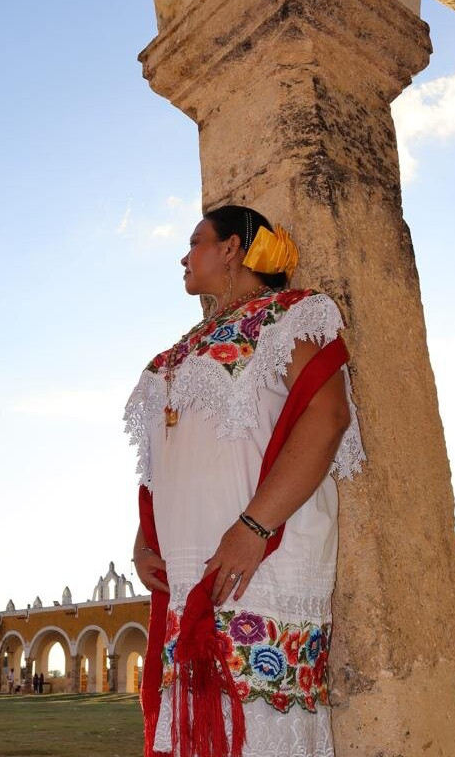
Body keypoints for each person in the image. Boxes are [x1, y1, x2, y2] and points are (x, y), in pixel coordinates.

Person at [125, 206, 365, 757]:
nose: (184, 257)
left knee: (256, 728)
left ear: (232, 248)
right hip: (189, 566)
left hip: (262, 557)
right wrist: (144, 539)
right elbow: (166, 460)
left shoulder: (289, 316)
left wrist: (254, 527)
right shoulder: (175, 353)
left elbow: (328, 416)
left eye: (196, 242)